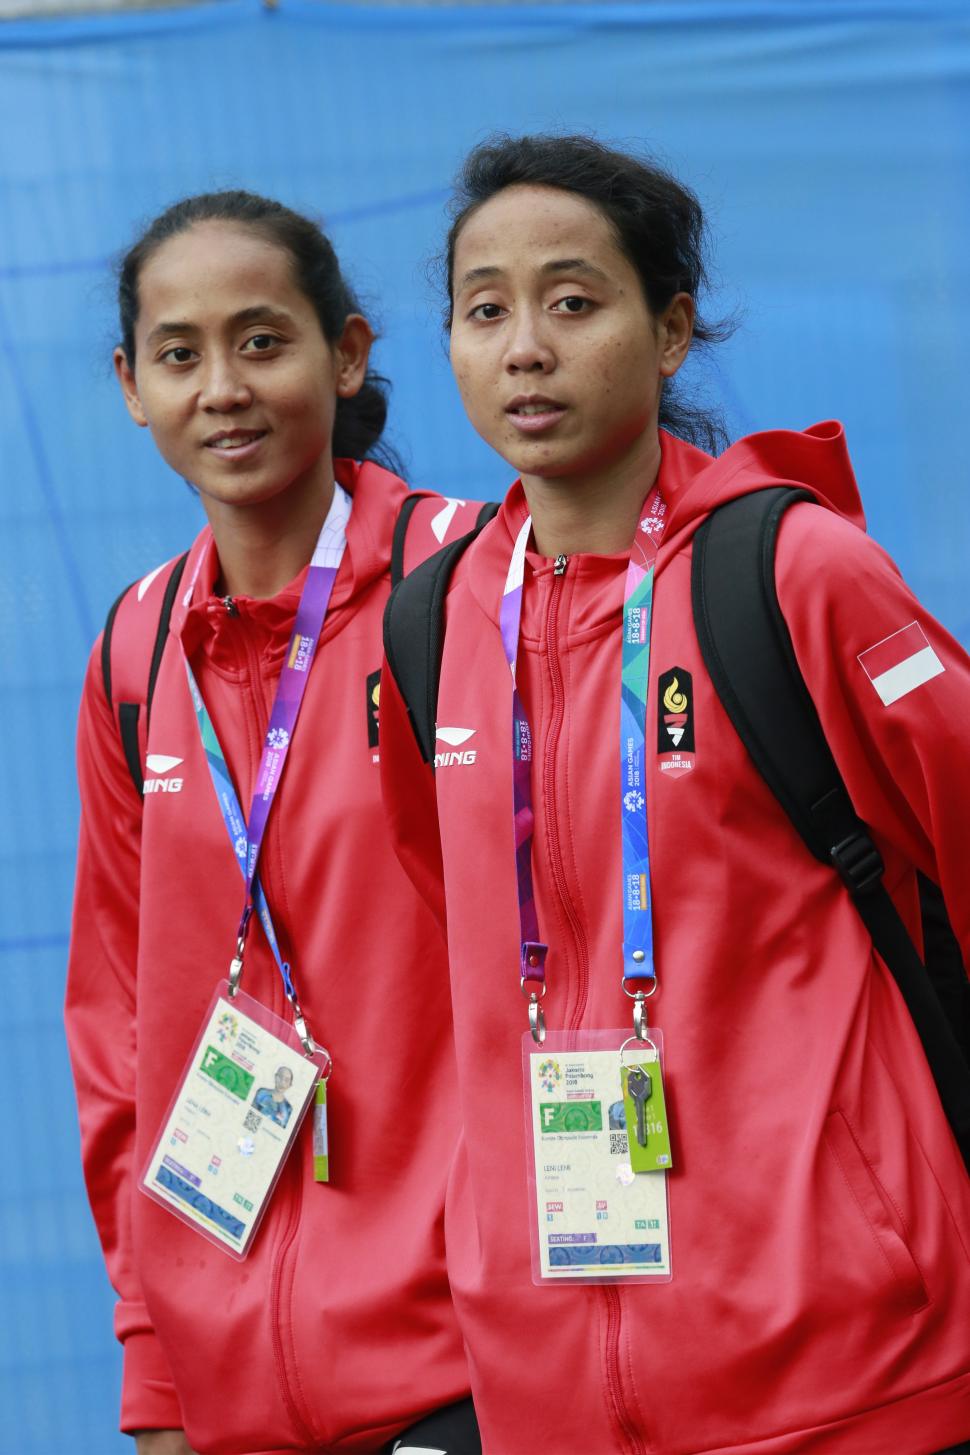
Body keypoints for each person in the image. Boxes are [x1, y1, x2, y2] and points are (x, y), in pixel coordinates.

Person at [379, 135, 970, 1454]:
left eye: (573, 302)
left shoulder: (795, 571)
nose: (525, 347)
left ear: (670, 329)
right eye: (485, 310)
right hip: (553, 1381)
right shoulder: (425, 627)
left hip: (846, 1359)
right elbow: (457, 935)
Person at [64, 190, 485, 1455]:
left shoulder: (471, 588)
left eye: (262, 341)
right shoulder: (137, 650)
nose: (224, 389)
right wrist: (158, 1375)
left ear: (346, 353)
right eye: (180, 354)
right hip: (237, 1388)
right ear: (132, 386)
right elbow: (119, 1036)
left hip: (478, 1363)